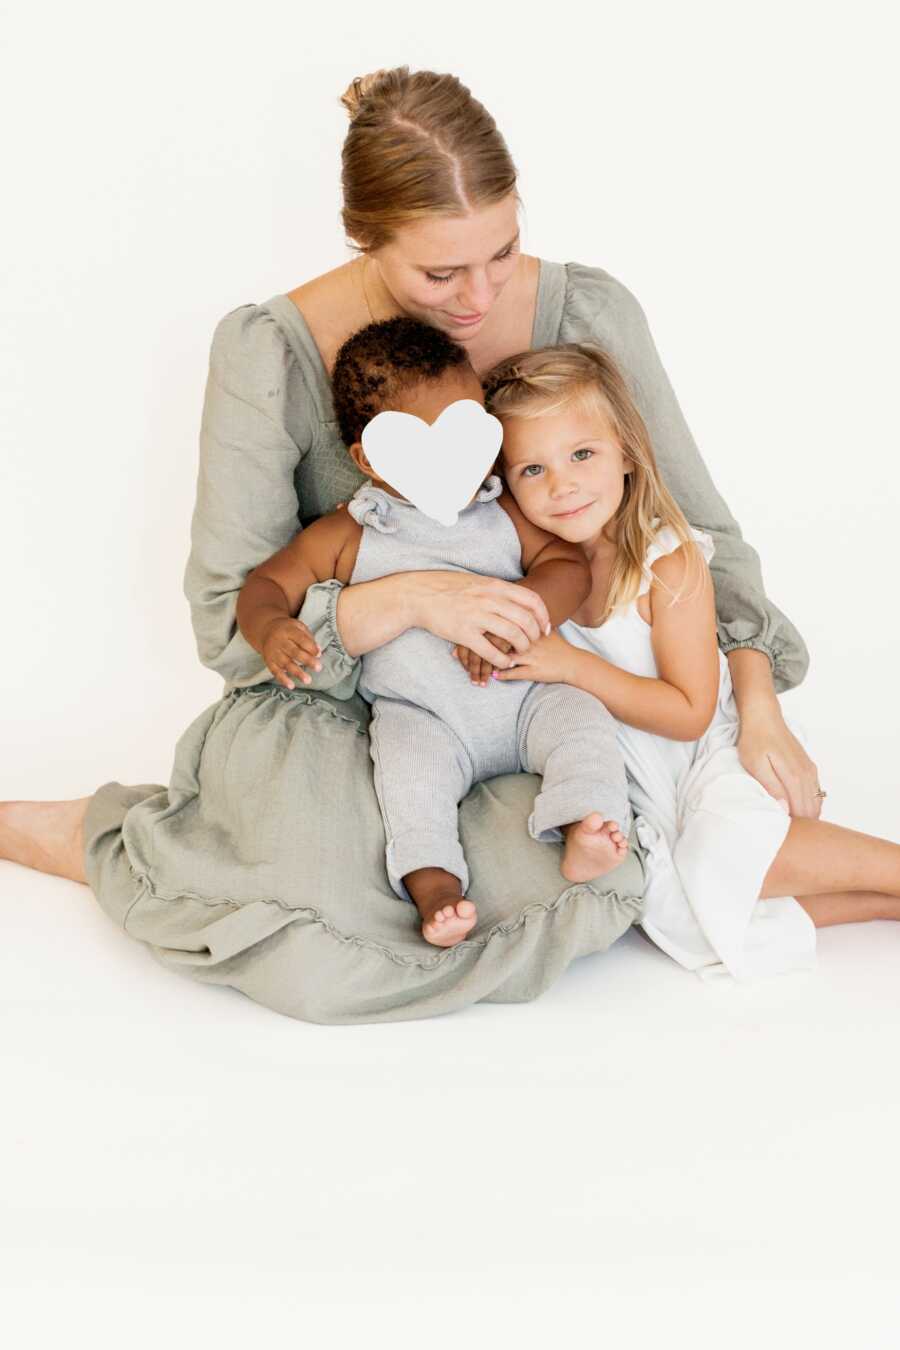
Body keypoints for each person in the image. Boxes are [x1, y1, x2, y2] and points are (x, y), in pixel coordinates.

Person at [0, 67, 816, 1023]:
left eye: (504, 252)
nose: (478, 297)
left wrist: (756, 704)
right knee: (321, 934)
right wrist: (418, 600)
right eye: (440, 272)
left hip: (532, 685)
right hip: (349, 702)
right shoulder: (270, 354)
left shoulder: (589, 313)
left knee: (575, 862)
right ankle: (118, 836)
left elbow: (696, 526)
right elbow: (230, 619)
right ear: (364, 236)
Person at [478, 343, 900, 978]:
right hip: (648, 789)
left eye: (582, 454)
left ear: (625, 451)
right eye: (531, 471)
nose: (561, 485)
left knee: (718, 851)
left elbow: (691, 713)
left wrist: (570, 663)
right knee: (676, 915)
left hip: (708, 761)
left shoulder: (666, 561)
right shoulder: (531, 568)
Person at [237, 315, 630, 946]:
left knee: (583, 725)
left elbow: (567, 568)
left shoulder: (500, 509)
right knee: (406, 779)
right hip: (424, 716)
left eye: (471, 431)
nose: (461, 461)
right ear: (369, 457)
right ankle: (435, 885)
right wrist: (272, 627)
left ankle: (586, 824)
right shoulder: (351, 532)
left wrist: (522, 614)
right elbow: (265, 584)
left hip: (527, 692)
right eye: (431, 444)